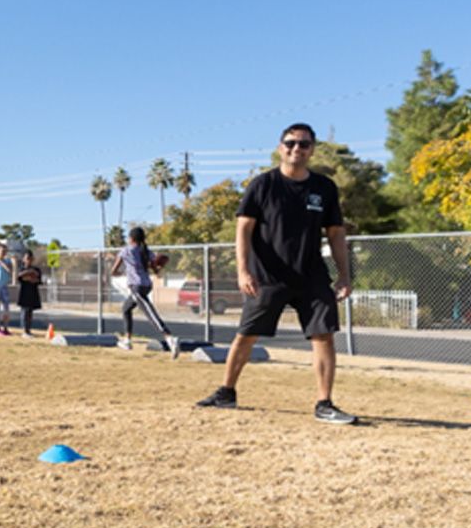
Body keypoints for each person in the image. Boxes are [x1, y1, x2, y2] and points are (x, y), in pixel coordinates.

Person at [196, 123, 355, 425]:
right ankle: (226, 392)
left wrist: (344, 275)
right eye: (291, 143)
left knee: (323, 335)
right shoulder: (263, 185)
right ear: (281, 147)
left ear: (312, 149)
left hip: (311, 276)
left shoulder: (324, 188)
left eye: (304, 144)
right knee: (247, 335)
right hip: (267, 276)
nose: (297, 149)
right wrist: (243, 270)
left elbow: (335, 233)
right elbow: (243, 229)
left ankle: (324, 403)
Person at [110, 226, 179, 357]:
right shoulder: (146, 251)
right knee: (126, 309)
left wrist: (121, 273)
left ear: (131, 238)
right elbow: (155, 269)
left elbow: (113, 271)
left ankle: (169, 338)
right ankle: (127, 340)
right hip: (146, 285)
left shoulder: (126, 251)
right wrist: (158, 267)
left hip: (136, 286)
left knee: (150, 314)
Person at [17, 250, 43, 337]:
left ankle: (28, 329)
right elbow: (21, 277)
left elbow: (37, 279)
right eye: (27, 258)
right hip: (24, 294)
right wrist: (28, 274)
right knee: (24, 312)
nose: (29, 260)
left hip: (33, 294)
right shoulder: (21, 269)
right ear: (24, 259)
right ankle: (24, 330)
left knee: (30, 313)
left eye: (30, 258)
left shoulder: (36, 269)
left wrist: (31, 277)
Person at [0, 243, 14, 335]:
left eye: (5, 251)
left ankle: (5, 328)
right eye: (1, 251)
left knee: (6, 309)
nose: (3, 253)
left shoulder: (8, 261)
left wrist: (2, 262)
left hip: (5, 287)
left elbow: (10, 271)